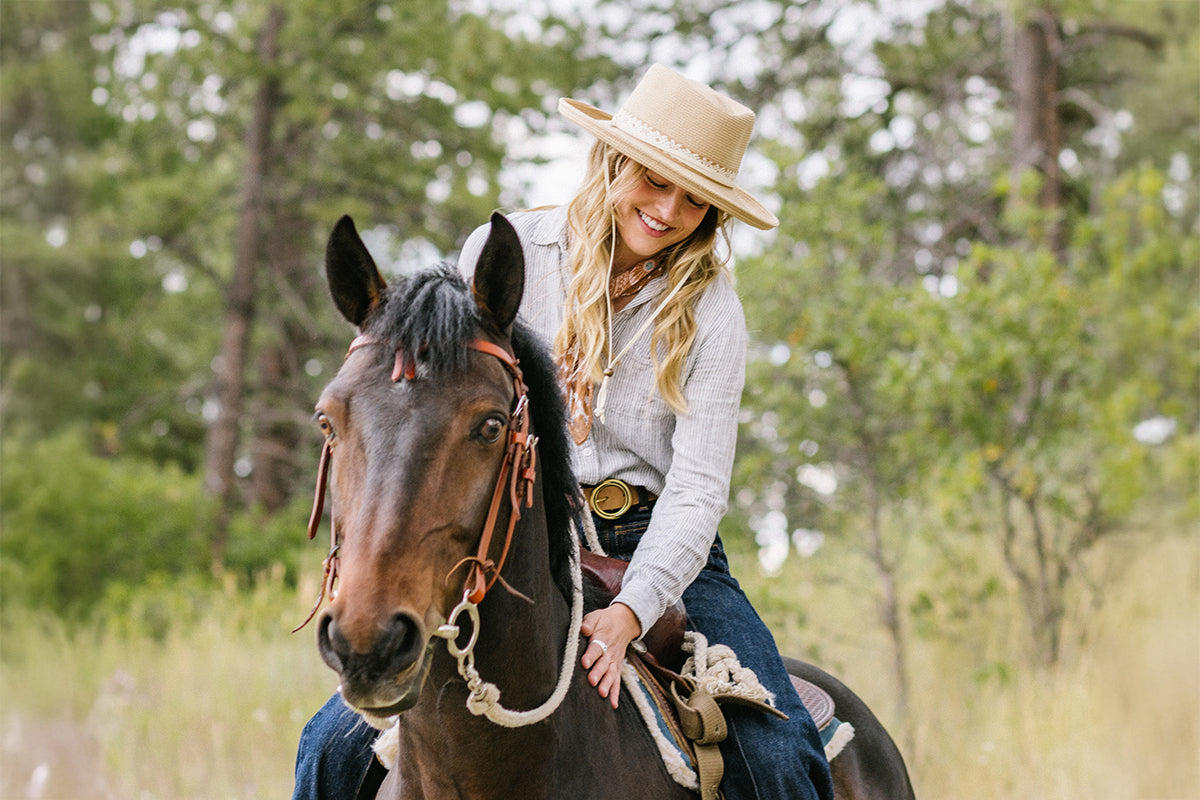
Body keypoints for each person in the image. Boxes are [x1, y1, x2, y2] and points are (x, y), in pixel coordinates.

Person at [293, 64, 834, 800]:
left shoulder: (713, 314)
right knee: (326, 749)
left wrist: (632, 611)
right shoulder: (503, 254)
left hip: (660, 541)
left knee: (780, 760)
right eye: (653, 179)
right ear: (614, 162)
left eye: (695, 199)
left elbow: (700, 488)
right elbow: (435, 412)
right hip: (522, 530)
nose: (668, 209)